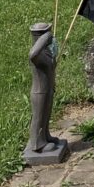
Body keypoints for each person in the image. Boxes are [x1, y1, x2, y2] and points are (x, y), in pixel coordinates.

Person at [27, 22, 60, 154]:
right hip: (40, 91)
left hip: (48, 89)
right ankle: (37, 143)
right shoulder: (37, 55)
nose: (50, 36)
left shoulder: (46, 51)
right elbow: (32, 54)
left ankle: (45, 136)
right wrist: (44, 39)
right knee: (39, 117)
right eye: (47, 33)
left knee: (46, 115)